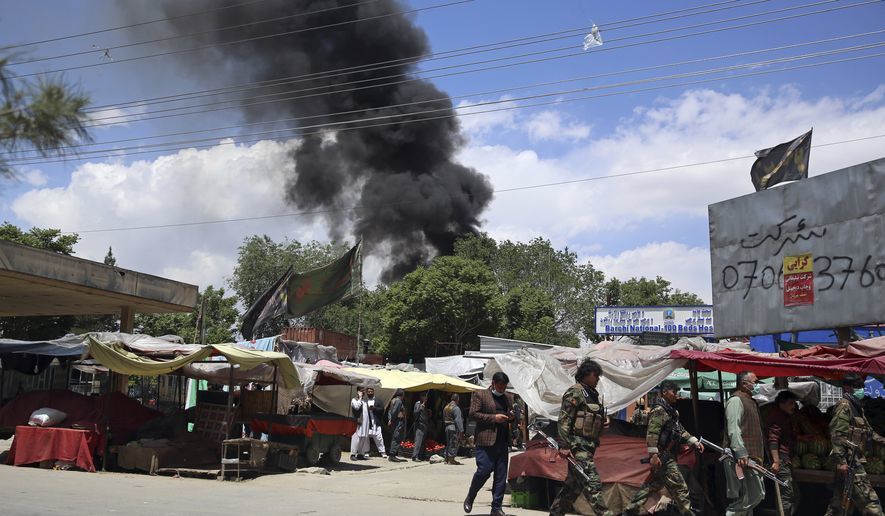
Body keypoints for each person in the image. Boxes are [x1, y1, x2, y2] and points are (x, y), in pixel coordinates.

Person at [623, 380, 703, 516]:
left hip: (668, 455)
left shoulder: (672, 412)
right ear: (664, 392)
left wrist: (693, 441)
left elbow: (679, 430)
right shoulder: (659, 411)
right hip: (663, 456)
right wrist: (653, 455)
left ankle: (630, 511)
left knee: (652, 486)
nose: (676, 395)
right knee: (681, 489)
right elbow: (652, 434)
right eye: (673, 392)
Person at [548, 359, 612, 516]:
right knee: (593, 483)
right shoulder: (575, 392)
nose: (598, 379)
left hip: (589, 446)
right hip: (578, 447)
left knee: (572, 488)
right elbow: (564, 419)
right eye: (596, 375)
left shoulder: (591, 394)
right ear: (586, 374)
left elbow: (592, 415)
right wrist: (564, 445)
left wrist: (604, 420)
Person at [824, 374, 885, 516]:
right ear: (847, 388)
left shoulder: (857, 407)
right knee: (870, 502)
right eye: (857, 387)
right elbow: (837, 434)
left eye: (862, 387)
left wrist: (882, 440)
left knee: (838, 505)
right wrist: (841, 461)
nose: (861, 390)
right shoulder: (844, 406)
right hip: (849, 460)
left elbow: (868, 432)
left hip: (852, 458)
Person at [463, 372, 515, 516]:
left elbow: (511, 415)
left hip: (502, 441)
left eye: (504, 387)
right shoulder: (480, 395)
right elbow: (473, 414)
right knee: (484, 471)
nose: (502, 390)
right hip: (485, 441)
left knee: (500, 476)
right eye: (500, 387)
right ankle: (471, 496)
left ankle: (496, 508)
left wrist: (511, 417)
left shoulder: (509, 397)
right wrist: (494, 418)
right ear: (493, 383)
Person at [723, 371, 765, 516]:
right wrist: (740, 452)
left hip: (752, 458)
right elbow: (733, 429)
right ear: (744, 384)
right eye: (755, 382)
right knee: (753, 496)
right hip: (739, 458)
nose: (757, 385)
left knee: (749, 498)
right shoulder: (736, 401)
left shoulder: (751, 401)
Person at [766, 390, 801, 515]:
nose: (794, 406)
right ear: (782, 404)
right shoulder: (777, 418)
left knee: (794, 496)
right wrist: (776, 462)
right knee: (786, 495)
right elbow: (773, 440)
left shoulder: (786, 417)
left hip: (786, 460)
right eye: (791, 403)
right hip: (781, 461)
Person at [364, 387, 387, 458]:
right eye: (369, 392)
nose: (370, 393)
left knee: (379, 437)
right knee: (366, 437)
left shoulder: (378, 400)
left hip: (376, 421)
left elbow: (382, 409)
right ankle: (366, 451)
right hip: (367, 422)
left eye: (371, 391)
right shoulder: (364, 401)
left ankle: (382, 452)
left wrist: (374, 408)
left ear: (373, 392)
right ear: (367, 392)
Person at [387, 388, 407, 462]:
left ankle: (393, 454)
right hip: (398, 422)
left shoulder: (393, 400)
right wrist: (392, 420)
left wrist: (390, 419)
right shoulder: (398, 401)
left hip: (395, 422)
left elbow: (389, 411)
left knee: (395, 437)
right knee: (396, 437)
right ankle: (392, 455)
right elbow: (394, 412)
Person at [444, 393, 464, 465]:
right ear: (457, 399)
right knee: (453, 443)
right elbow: (458, 420)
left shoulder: (446, 407)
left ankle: (446, 458)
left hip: (447, 427)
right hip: (453, 427)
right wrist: (461, 430)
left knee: (448, 443)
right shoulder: (456, 408)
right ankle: (451, 459)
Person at [350, 387, 369, 460]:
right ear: (358, 392)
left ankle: (361, 454)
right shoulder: (354, 400)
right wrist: (360, 398)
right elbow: (356, 407)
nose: (363, 392)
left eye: (364, 391)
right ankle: (353, 454)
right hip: (358, 421)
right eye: (361, 391)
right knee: (356, 438)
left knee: (363, 437)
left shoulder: (365, 401)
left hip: (365, 422)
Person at [412, 391, 429, 462]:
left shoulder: (424, 404)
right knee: (418, 441)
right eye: (425, 396)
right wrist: (420, 409)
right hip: (419, 425)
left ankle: (420, 456)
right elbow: (415, 413)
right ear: (421, 397)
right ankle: (414, 456)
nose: (426, 398)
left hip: (424, 425)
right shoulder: (418, 404)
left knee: (422, 441)